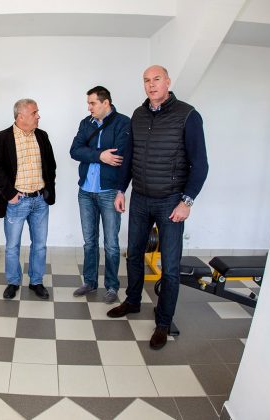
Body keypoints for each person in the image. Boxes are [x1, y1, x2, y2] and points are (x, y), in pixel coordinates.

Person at [107, 65, 208, 350]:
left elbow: (200, 164)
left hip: (170, 202)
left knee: (170, 267)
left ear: (168, 82)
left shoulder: (188, 115)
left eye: (157, 79)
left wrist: (187, 202)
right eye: (146, 81)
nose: (151, 85)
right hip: (140, 198)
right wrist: (121, 190)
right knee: (134, 255)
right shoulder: (138, 115)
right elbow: (129, 157)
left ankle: (163, 322)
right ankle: (133, 301)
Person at [0, 99, 57, 300]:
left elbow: (51, 165)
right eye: (34, 113)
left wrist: (48, 189)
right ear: (20, 116)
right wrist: (10, 194)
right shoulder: (1, 138)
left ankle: (36, 281)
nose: (38, 116)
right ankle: (13, 282)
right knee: (12, 246)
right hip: (16, 202)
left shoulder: (42, 136)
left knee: (40, 245)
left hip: (40, 201)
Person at [69, 86, 130, 303]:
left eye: (92, 103)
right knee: (89, 242)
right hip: (85, 191)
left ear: (106, 103)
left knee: (111, 244)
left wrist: (91, 154)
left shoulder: (123, 123)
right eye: (88, 103)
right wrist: (100, 155)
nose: (89, 107)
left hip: (109, 192)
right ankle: (90, 282)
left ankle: (112, 287)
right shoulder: (86, 123)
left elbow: (120, 156)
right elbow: (74, 150)